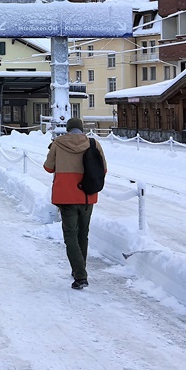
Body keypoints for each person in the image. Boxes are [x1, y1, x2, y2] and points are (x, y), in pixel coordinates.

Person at [43, 116, 107, 290]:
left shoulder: (58, 143)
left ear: (68, 129)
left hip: (66, 197)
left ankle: (80, 275)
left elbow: (48, 167)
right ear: (82, 128)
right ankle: (80, 268)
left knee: (70, 236)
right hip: (87, 196)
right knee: (82, 234)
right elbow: (104, 169)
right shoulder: (93, 144)